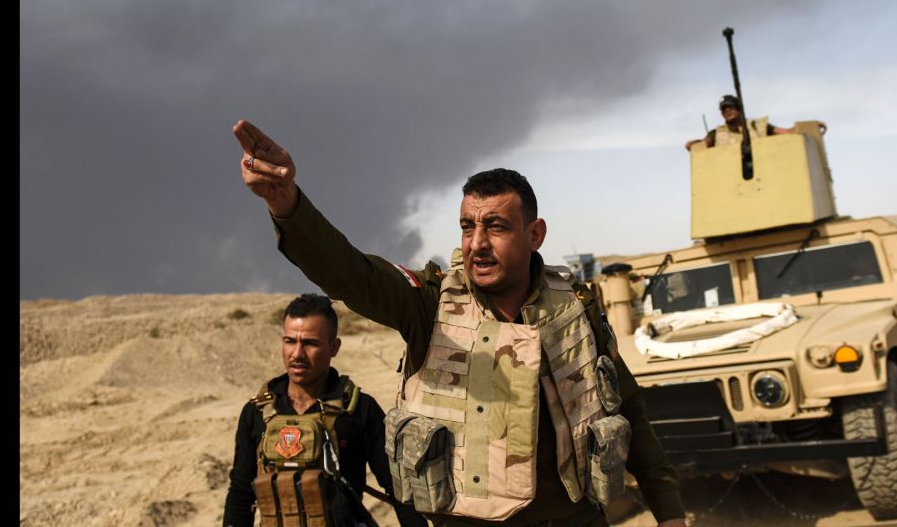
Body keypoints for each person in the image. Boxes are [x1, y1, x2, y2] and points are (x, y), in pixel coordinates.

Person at [233, 120, 688, 527]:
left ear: (534, 234)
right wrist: (287, 203)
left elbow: (628, 408)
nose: (477, 244)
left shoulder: (576, 308)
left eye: (495, 226)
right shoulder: (428, 306)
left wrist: (668, 512)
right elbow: (350, 273)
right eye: (467, 226)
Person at [222, 293, 428, 527]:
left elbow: (399, 490)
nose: (297, 354)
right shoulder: (257, 412)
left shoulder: (359, 409)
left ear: (334, 347)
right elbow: (241, 493)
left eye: (310, 343)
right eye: (290, 341)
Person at [685, 94, 827, 151]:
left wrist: (809, 126)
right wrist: (692, 144)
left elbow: (786, 133)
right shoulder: (717, 133)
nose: (727, 111)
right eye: (724, 109)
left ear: (739, 109)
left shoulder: (756, 127)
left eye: (730, 107)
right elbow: (704, 144)